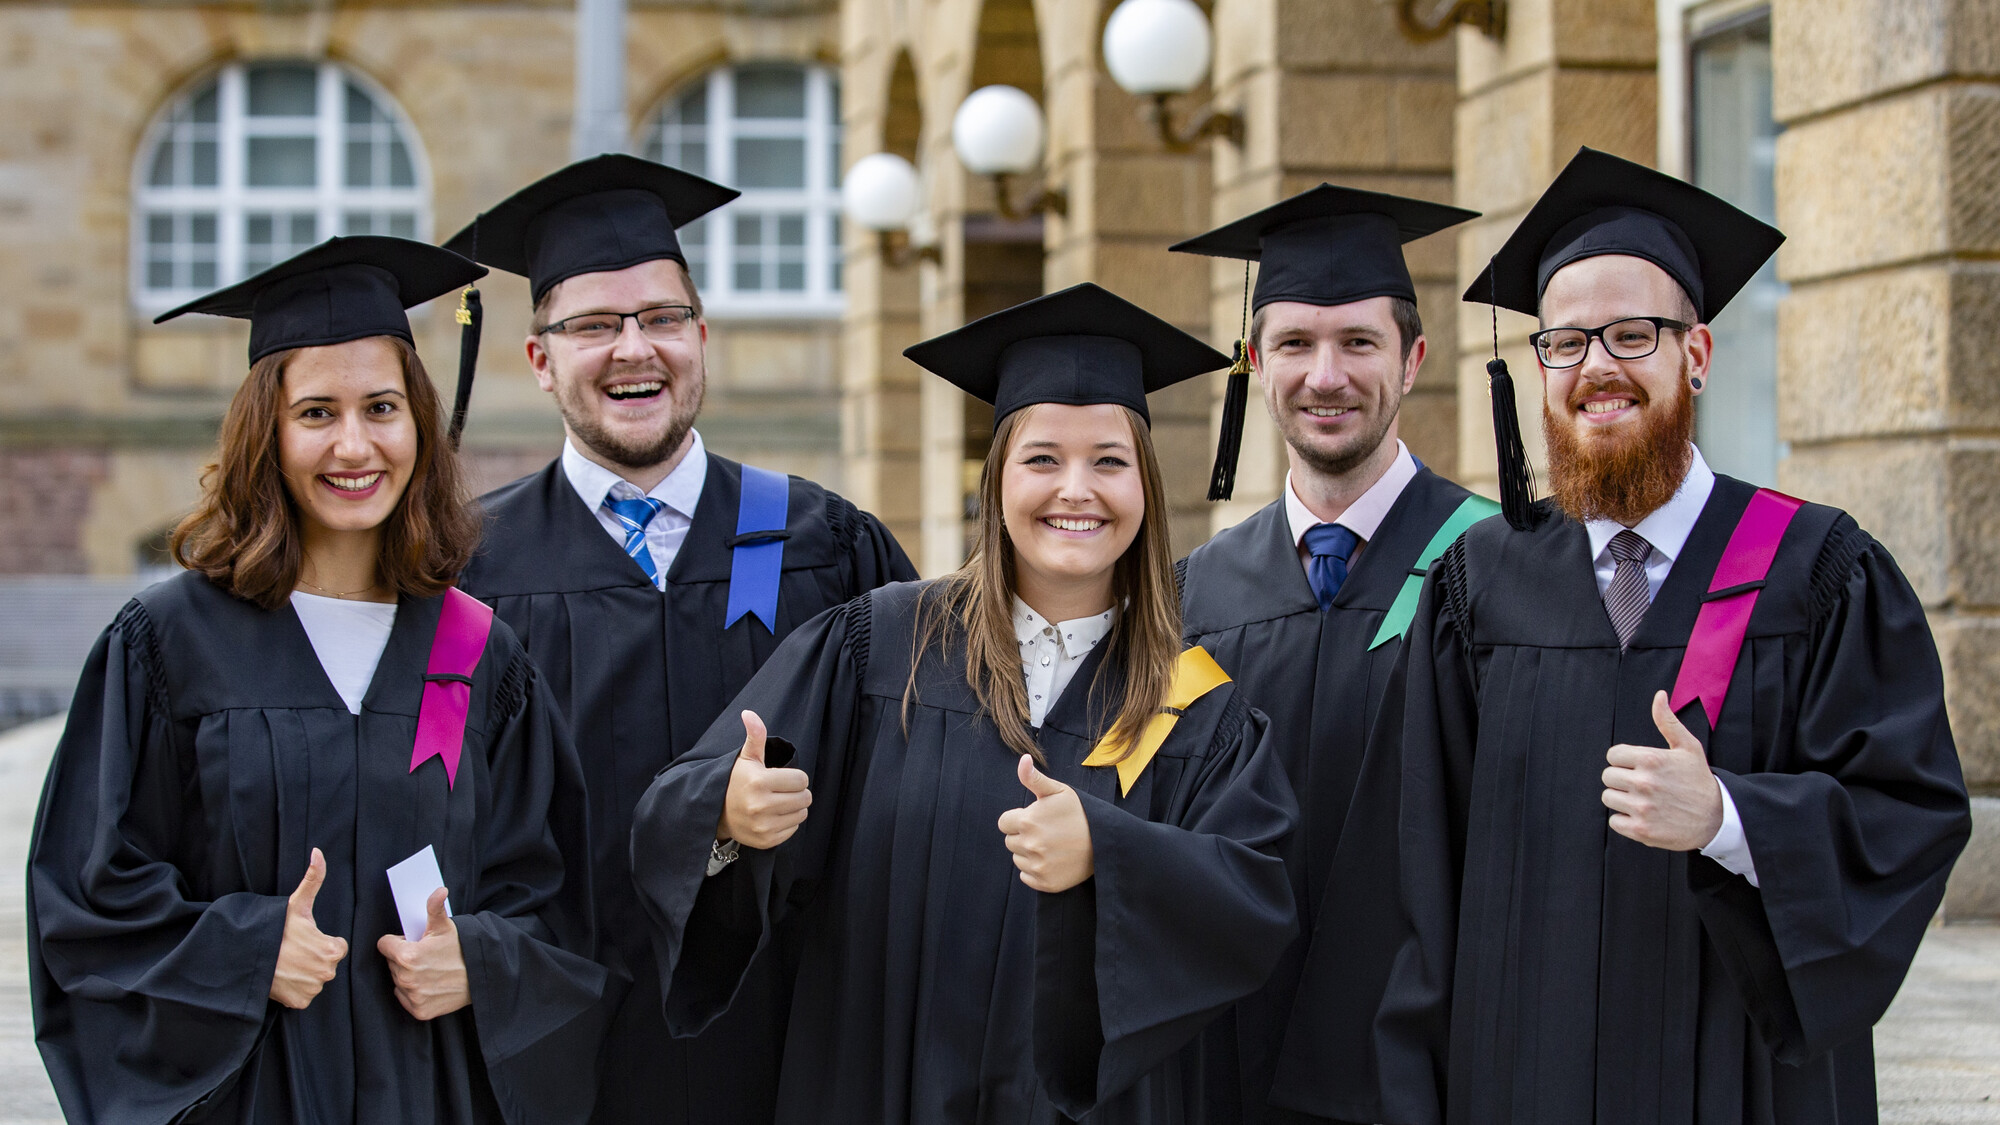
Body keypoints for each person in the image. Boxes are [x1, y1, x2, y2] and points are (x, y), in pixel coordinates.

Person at [1285, 147, 1972, 1125]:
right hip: (1518, 1082)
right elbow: (1407, 880)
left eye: (1632, 335)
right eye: (1564, 343)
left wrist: (1731, 817)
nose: (1595, 367)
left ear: (1696, 354)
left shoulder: (1813, 570)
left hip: (1739, 1086)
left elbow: (1908, 814)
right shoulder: (1476, 587)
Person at [629, 282, 1299, 1123]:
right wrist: (726, 814)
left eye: (1109, 461)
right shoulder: (882, 646)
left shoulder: (1193, 705)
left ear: (1146, 489)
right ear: (997, 479)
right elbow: (671, 810)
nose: (1077, 489)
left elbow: (1252, 899)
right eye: (1042, 459)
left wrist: (1111, 854)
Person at [28, 237, 607, 1125]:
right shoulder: (169, 642)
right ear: (267, 431)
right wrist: (244, 949)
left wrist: (481, 962)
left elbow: (553, 896)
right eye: (315, 412)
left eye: (381, 407)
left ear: (418, 423)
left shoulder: (475, 649)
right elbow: (85, 896)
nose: (354, 444)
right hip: (247, 1097)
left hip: (427, 1095)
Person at [444, 153, 917, 1125]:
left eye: (662, 318)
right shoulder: (466, 575)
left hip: (785, 1050)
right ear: (539, 359)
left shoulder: (822, 543)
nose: (635, 348)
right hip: (558, 1065)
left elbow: (914, 786)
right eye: (594, 325)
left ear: (701, 338)